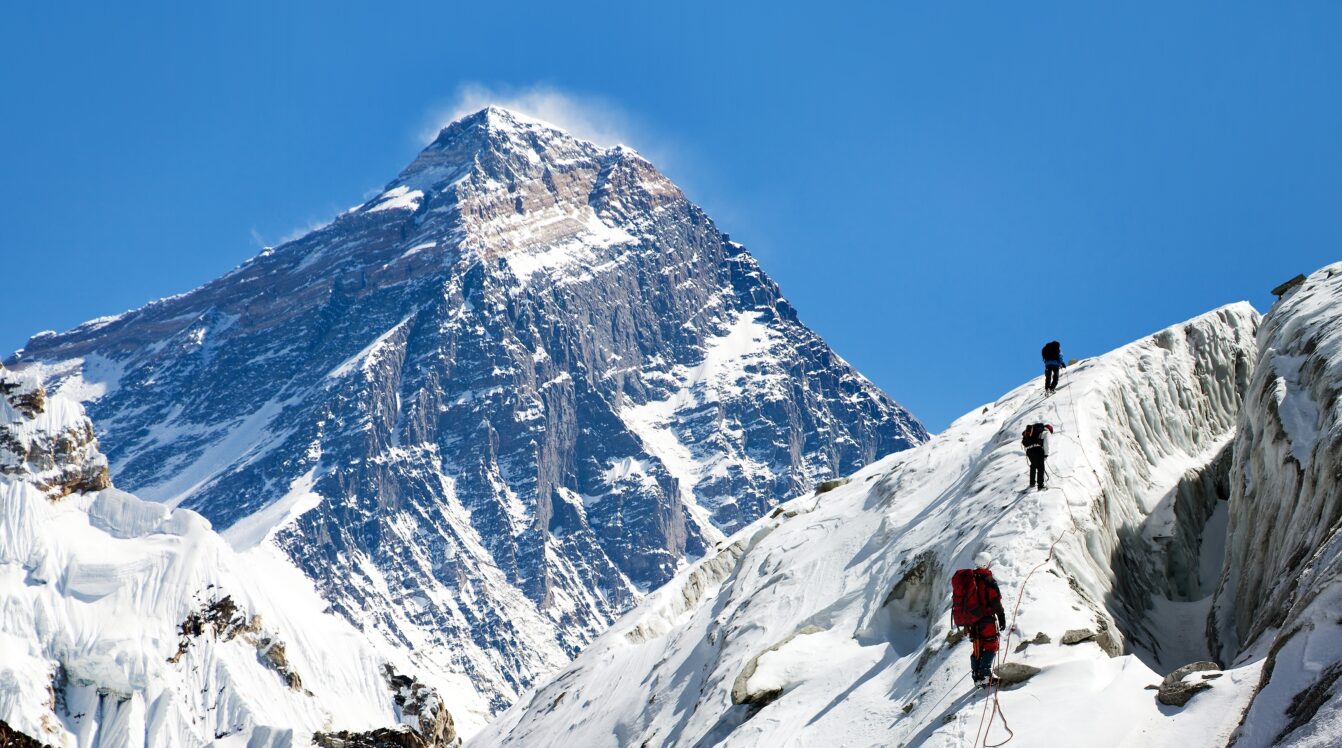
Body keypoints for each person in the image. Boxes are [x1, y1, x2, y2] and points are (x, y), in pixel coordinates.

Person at [964, 552, 1007, 688]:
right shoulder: (988, 580)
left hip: (972, 622)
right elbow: (995, 601)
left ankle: (977, 677)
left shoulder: (969, 580)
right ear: (987, 563)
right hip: (986, 620)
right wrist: (1001, 617)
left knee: (978, 647)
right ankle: (985, 676)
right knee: (991, 645)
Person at [1022, 422, 1053, 490]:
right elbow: (1046, 443)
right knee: (1040, 468)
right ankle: (1040, 486)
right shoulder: (1046, 432)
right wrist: (1046, 454)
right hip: (1038, 450)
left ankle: (1032, 483)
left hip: (1029, 450)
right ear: (1049, 429)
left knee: (1033, 465)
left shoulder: (1035, 431)